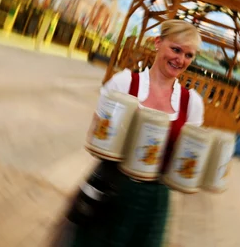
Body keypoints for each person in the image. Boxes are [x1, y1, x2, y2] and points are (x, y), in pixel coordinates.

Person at [52, 19, 204, 247]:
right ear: (157, 43)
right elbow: (97, 132)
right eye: (176, 49)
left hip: (155, 197)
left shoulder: (192, 102)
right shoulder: (124, 83)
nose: (180, 59)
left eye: (188, 55)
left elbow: (188, 156)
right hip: (112, 186)